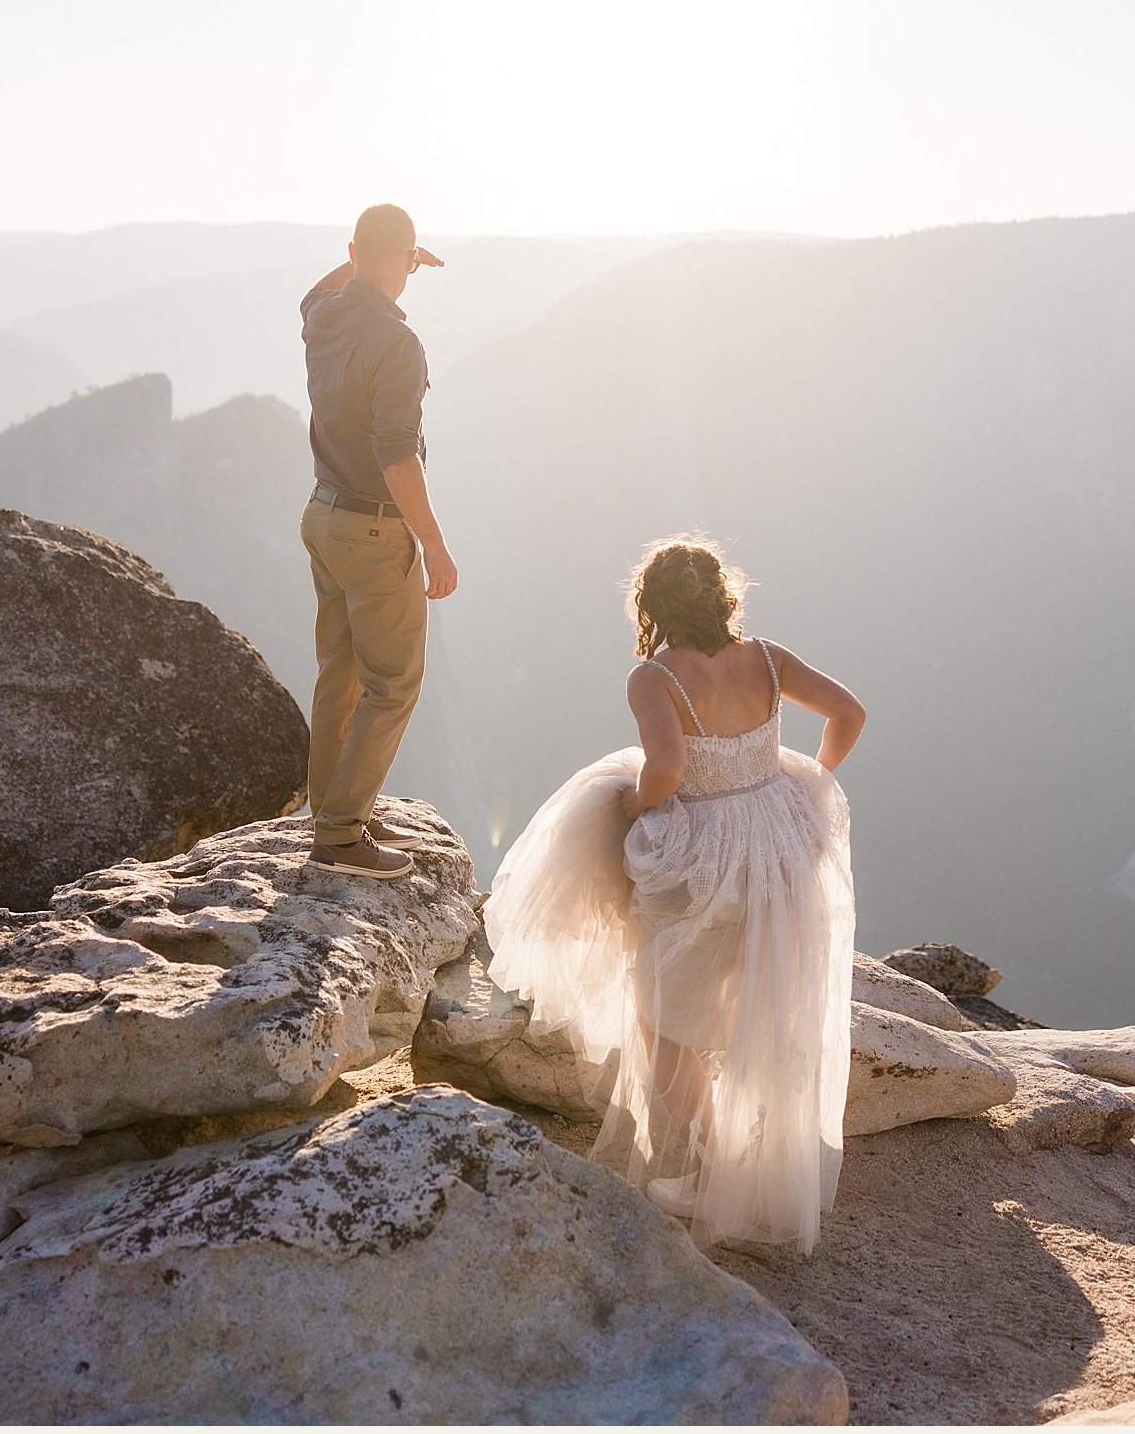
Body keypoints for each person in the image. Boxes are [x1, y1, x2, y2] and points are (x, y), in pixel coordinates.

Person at [484, 536, 865, 1252]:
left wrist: (633, 806)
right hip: (779, 841)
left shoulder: (654, 677)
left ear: (653, 606)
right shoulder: (770, 659)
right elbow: (850, 712)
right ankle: (759, 1164)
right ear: (724, 597)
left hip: (706, 853)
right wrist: (807, 777)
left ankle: (714, 1166)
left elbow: (666, 768)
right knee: (762, 1001)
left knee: (660, 1022)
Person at [298, 203, 456, 878]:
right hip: (371, 526)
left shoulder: (324, 315)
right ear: (399, 260)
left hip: (322, 516)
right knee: (392, 684)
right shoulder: (399, 342)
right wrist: (436, 546)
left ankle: (336, 804)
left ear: (352, 250)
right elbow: (397, 456)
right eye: (410, 262)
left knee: (341, 670)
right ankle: (340, 834)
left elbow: (319, 287)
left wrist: (375, 254)